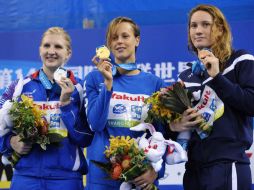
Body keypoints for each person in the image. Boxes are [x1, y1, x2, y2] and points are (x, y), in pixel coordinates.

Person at [169, 4, 254, 190]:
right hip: (193, 169)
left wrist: (217, 77)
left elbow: (251, 103)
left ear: (220, 29)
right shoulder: (186, 76)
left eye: (205, 24)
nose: (198, 31)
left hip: (228, 163)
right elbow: (176, 128)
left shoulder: (241, 60)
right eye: (193, 26)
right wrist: (175, 126)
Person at [84, 17, 174, 190]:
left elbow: (163, 136)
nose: (119, 42)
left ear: (137, 40)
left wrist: (156, 171)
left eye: (125, 36)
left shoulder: (155, 84)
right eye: (114, 38)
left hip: (140, 177)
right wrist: (108, 85)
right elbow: (95, 124)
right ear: (108, 45)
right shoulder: (95, 78)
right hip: (102, 178)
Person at [0, 27, 93, 190]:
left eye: (58, 47)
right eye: (46, 46)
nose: (51, 51)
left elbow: (85, 138)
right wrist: (10, 142)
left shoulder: (79, 89)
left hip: (66, 180)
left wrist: (66, 104)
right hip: (25, 178)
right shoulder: (19, 87)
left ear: (68, 53)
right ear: (39, 50)